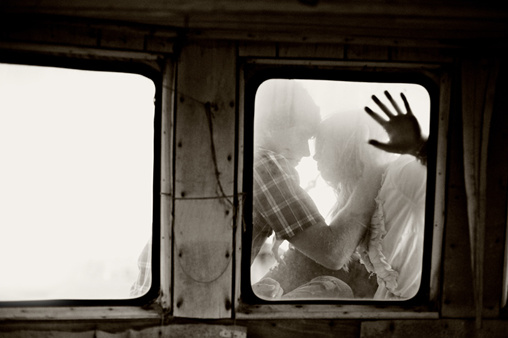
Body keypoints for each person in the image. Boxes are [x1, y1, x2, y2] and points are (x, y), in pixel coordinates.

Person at [251, 79, 385, 299]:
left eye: (317, 144)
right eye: (302, 135)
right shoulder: (266, 164)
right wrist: (373, 171)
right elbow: (333, 253)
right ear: (272, 126)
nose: (307, 152)